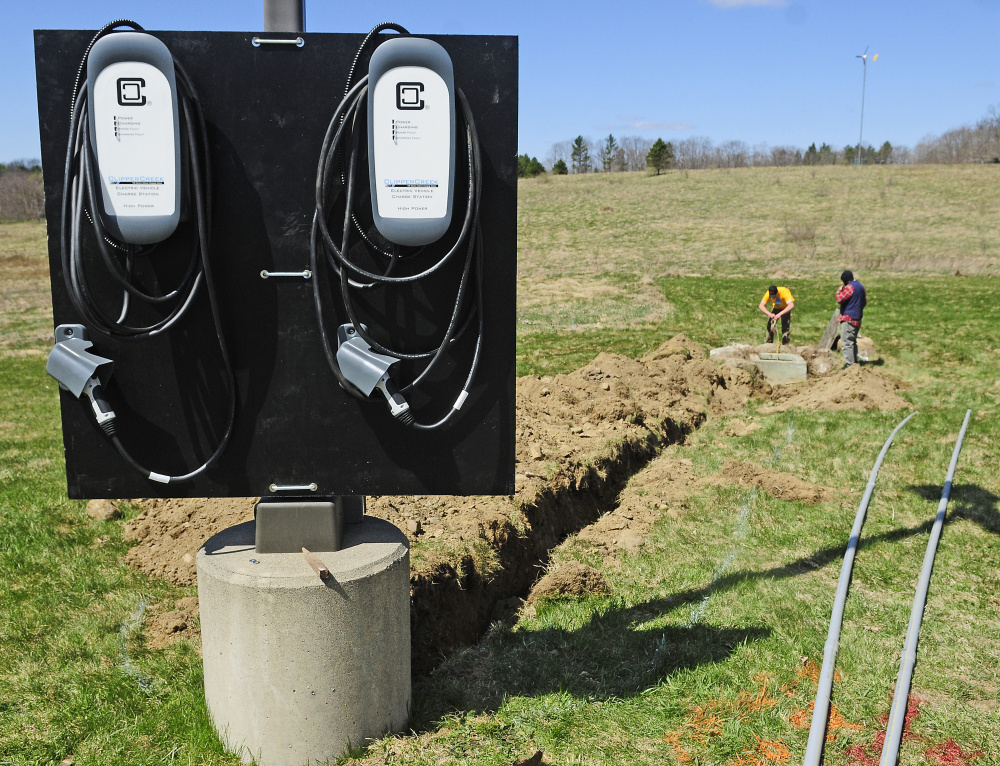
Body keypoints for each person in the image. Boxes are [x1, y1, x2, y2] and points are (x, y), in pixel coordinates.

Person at [836, 270, 867, 367]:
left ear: (845, 280)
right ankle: (855, 363)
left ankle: (850, 364)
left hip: (848, 318)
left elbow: (840, 299)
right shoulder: (860, 286)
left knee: (847, 342)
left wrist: (839, 291)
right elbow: (864, 302)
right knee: (853, 341)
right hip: (857, 318)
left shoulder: (850, 287)